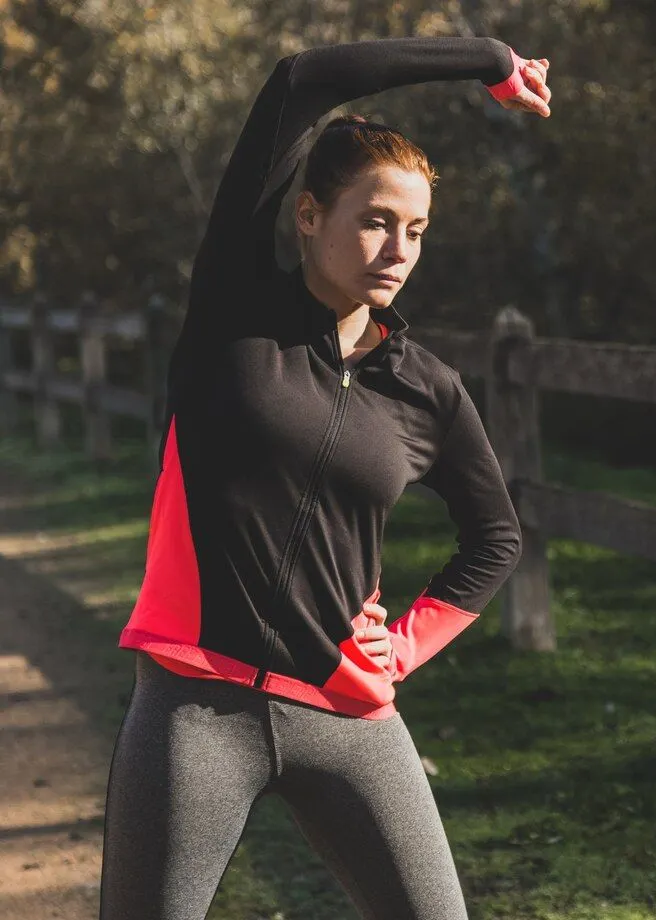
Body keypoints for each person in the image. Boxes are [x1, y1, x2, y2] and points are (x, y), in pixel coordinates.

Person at [100, 37, 551, 920]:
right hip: (197, 710)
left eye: (416, 229)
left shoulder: (425, 387)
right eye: (376, 219)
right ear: (307, 215)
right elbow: (303, 79)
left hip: (350, 715)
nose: (398, 247)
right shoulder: (233, 311)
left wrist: (409, 645)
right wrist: (487, 59)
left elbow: (495, 536)